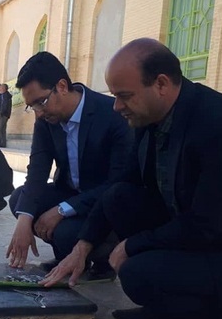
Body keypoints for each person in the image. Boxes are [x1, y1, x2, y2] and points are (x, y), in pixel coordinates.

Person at [41, 38, 222, 319]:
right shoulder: (150, 117)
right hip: (194, 231)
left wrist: (132, 245)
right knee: (120, 198)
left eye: (124, 96)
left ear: (161, 84)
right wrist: (82, 247)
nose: (116, 107)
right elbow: (119, 185)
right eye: (114, 96)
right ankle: (169, 305)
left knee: (136, 272)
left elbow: (206, 225)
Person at [7, 51, 132, 278]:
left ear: (62, 86)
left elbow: (117, 183)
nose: (38, 113)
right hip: (70, 192)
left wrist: (61, 210)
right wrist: (24, 220)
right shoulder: (46, 120)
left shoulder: (111, 114)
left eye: (41, 102)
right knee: (20, 201)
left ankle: (102, 260)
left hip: (105, 203)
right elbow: (37, 170)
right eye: (32, 106)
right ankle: (65, 256)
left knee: (65, 232)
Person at [0, 83, 13, 148]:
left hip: (2, 115)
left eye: (1, 87)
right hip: (4, 114)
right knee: (2, 129)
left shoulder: (4, 96)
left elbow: (3, 105)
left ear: (3, 88)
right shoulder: (4, 95)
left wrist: (0, 113)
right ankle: (3, 143)